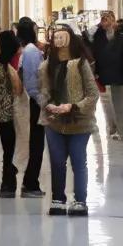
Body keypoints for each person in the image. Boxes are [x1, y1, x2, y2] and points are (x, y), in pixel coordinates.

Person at [39, 24, 98, 217]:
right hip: (54, 121)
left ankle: (80, 200)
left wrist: (73, 106)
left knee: (78, 161)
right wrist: (48, 104)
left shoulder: (81, 64)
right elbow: (44, 90)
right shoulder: (48, 65)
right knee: (57, 161)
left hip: (79, 122)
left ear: (70, 39)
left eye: (63, 38)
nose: (59, 42)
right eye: (56, 38)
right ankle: (58, 198)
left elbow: (92, 94)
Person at [91, 10, 123, 141]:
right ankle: (113, 128)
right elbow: (95, 51)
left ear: (113, 19)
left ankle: (122, 131)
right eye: (102, 19)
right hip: (105, 73)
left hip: (120, 72)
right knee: (108, 103)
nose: (104, 22)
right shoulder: (99, 34)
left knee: (120, 101)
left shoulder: (122, 33)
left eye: (107, 18)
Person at [0, 31, 24, 197]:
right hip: (8, 114)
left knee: (7, 147)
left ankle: (8, 182)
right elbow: (18, 89)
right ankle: (8, 183)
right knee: (9, 149)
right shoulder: (6, 66)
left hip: (0, 114)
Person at [16, 17, 46, 196]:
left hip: (36, 101)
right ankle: (30, 183)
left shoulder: (29, 50)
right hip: (36, 102)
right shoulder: (31, 52)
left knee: (37, 143)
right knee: (36, 144)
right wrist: (43, 101)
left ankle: (30, 181)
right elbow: (33, 81)